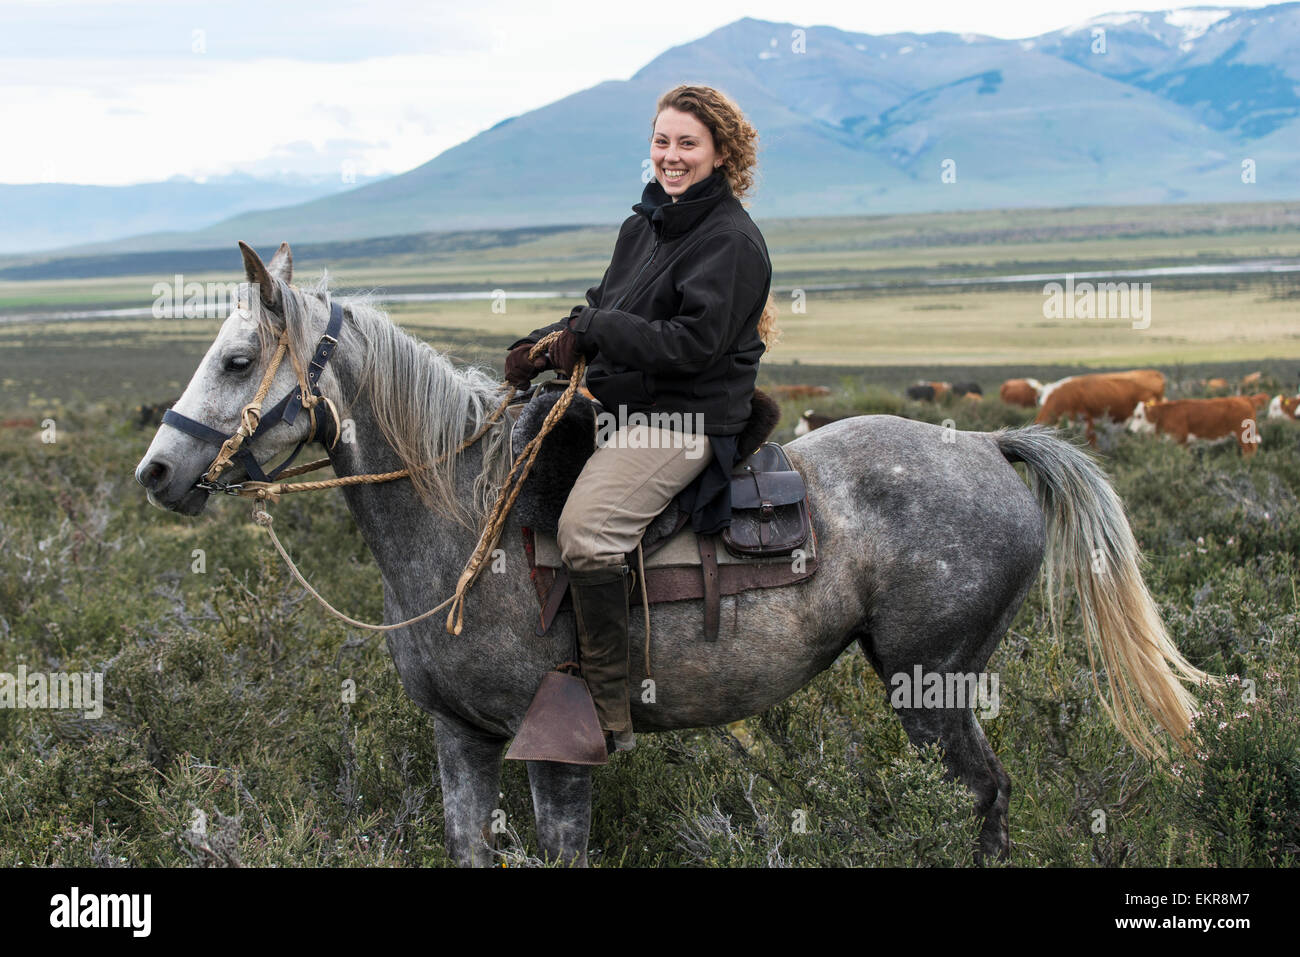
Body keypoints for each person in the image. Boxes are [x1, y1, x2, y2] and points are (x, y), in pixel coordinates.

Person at [504, 84, 779, 754]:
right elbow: (603, 308)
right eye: (662, 141)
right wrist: (544, 344)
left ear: (720, 152)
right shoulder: (645, 225)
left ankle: (608, 713)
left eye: (688, 143)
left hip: (682, 421)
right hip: (621, 407)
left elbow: (691, 347)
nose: (671, 155)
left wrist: (600, 328)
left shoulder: (732, 241)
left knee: (588, 531)